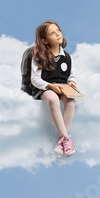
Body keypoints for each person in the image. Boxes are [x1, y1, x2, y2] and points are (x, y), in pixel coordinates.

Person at [31, 20, 77, 157]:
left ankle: (61, 140)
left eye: (58, 30)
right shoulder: (38, 56)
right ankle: (66, 139)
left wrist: (72, 82)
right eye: (52, 33)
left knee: (70, 100)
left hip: (62, 86)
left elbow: (71, 75)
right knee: (53, 99)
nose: (58, 34)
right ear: (44, 40)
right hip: (45, 86)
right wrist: (50, 86)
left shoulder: (67, 57)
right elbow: (35, 78)